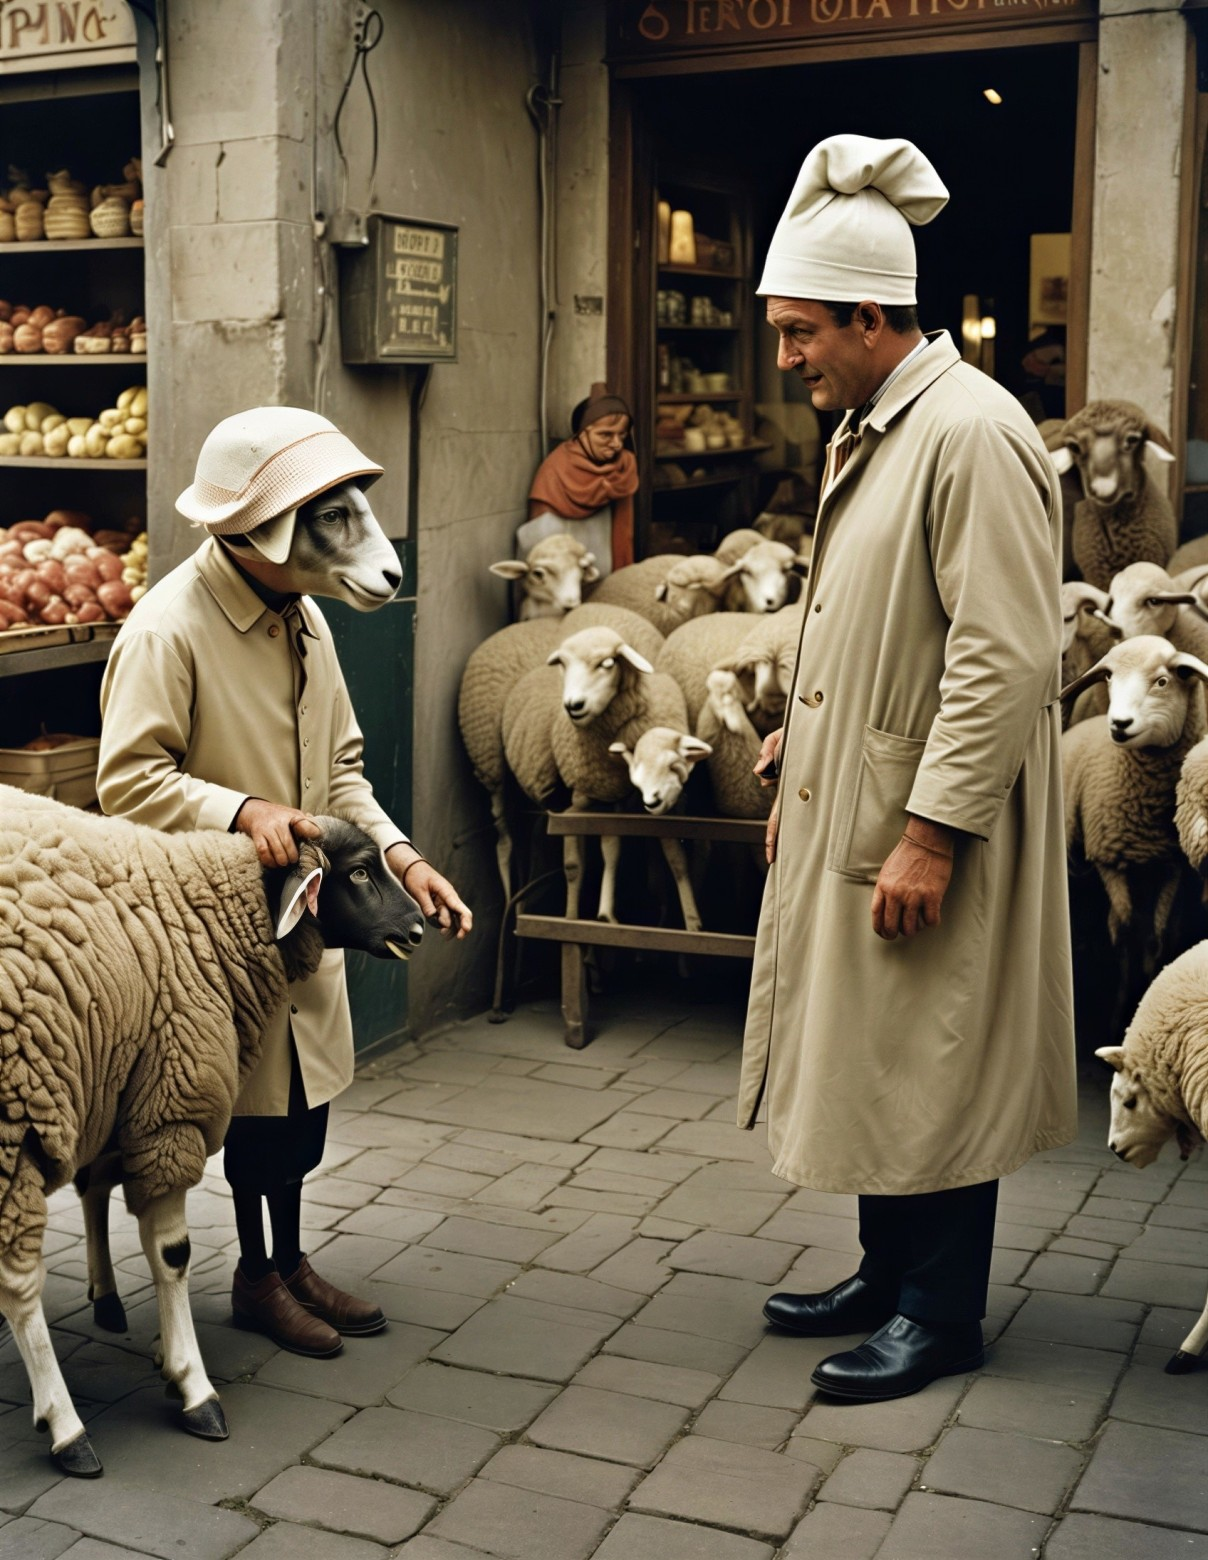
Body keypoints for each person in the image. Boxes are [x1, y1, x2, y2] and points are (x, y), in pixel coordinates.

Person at [740, 136, 1077, 1402]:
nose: (785, 357)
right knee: (880, 1044)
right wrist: (798, 738)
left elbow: (1002, 650)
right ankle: (885, 1273)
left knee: (931, 1050)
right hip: (867, 788)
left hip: (928, 812)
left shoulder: (971, 433)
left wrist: (933, 829)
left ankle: (938, 1312)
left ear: (871, 316)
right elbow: (880, 623)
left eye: (796, 332)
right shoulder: (877, 420)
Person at [96, 407, 472, 1358]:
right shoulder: (167, 629)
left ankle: (291, 1258)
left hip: (304, 912)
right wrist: (243, 811)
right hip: (217, 926)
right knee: (254, 1110)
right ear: (264, 528)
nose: (365, 547)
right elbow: (129, 781)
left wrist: (403, 859)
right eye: (327, 517)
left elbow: (342, 772)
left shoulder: (302, 618)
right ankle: (257, 1277)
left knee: (305, 1105)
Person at [526, 383, 638, 573]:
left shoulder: (623, 467)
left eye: (622, 434)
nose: (617, 444)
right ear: (582, 433)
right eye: (605, 435)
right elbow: (543, 544)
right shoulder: (556, 470)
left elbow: (624, 536)